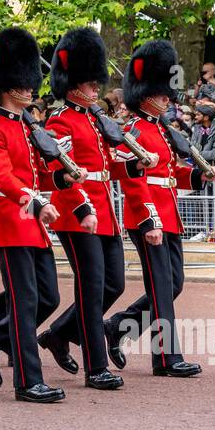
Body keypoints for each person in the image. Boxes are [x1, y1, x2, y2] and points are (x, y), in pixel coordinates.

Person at [36, 26, 142, 390]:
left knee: (114, 283)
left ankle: (59, 334)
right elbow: (61, 172)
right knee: (91, 288)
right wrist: (83, 209)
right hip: (78, 214)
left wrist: (130, 166)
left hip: (104, 211)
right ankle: (95, 366)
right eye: (91, 84)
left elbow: (104, 167)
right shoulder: (60, 120)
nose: (97, 89)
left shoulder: (94, 120)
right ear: (72, 84)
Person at [0, 28, 70, 404]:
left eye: (30, 85)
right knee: (25, 300)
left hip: (31, 221)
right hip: (11, 221)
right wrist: (38, 202)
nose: (30, 90)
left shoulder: (28, 129)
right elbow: (3, 179)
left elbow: (34, 173)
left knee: (48, 297)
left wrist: (60, 175)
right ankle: (28, 381)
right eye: (23, 85)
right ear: (6, 87)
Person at [104, 39, 213, 378]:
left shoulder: (161, 129)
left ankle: (119, 326)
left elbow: (168, 174)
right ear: (146, 94)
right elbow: (135, 181)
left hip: (168, 214)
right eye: (163, 93)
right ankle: (166, 358)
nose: (169, 98)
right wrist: (150, 219)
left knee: (174, 284)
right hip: (148, 217)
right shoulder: (134, 130)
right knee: (162, 288)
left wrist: (197, 176)